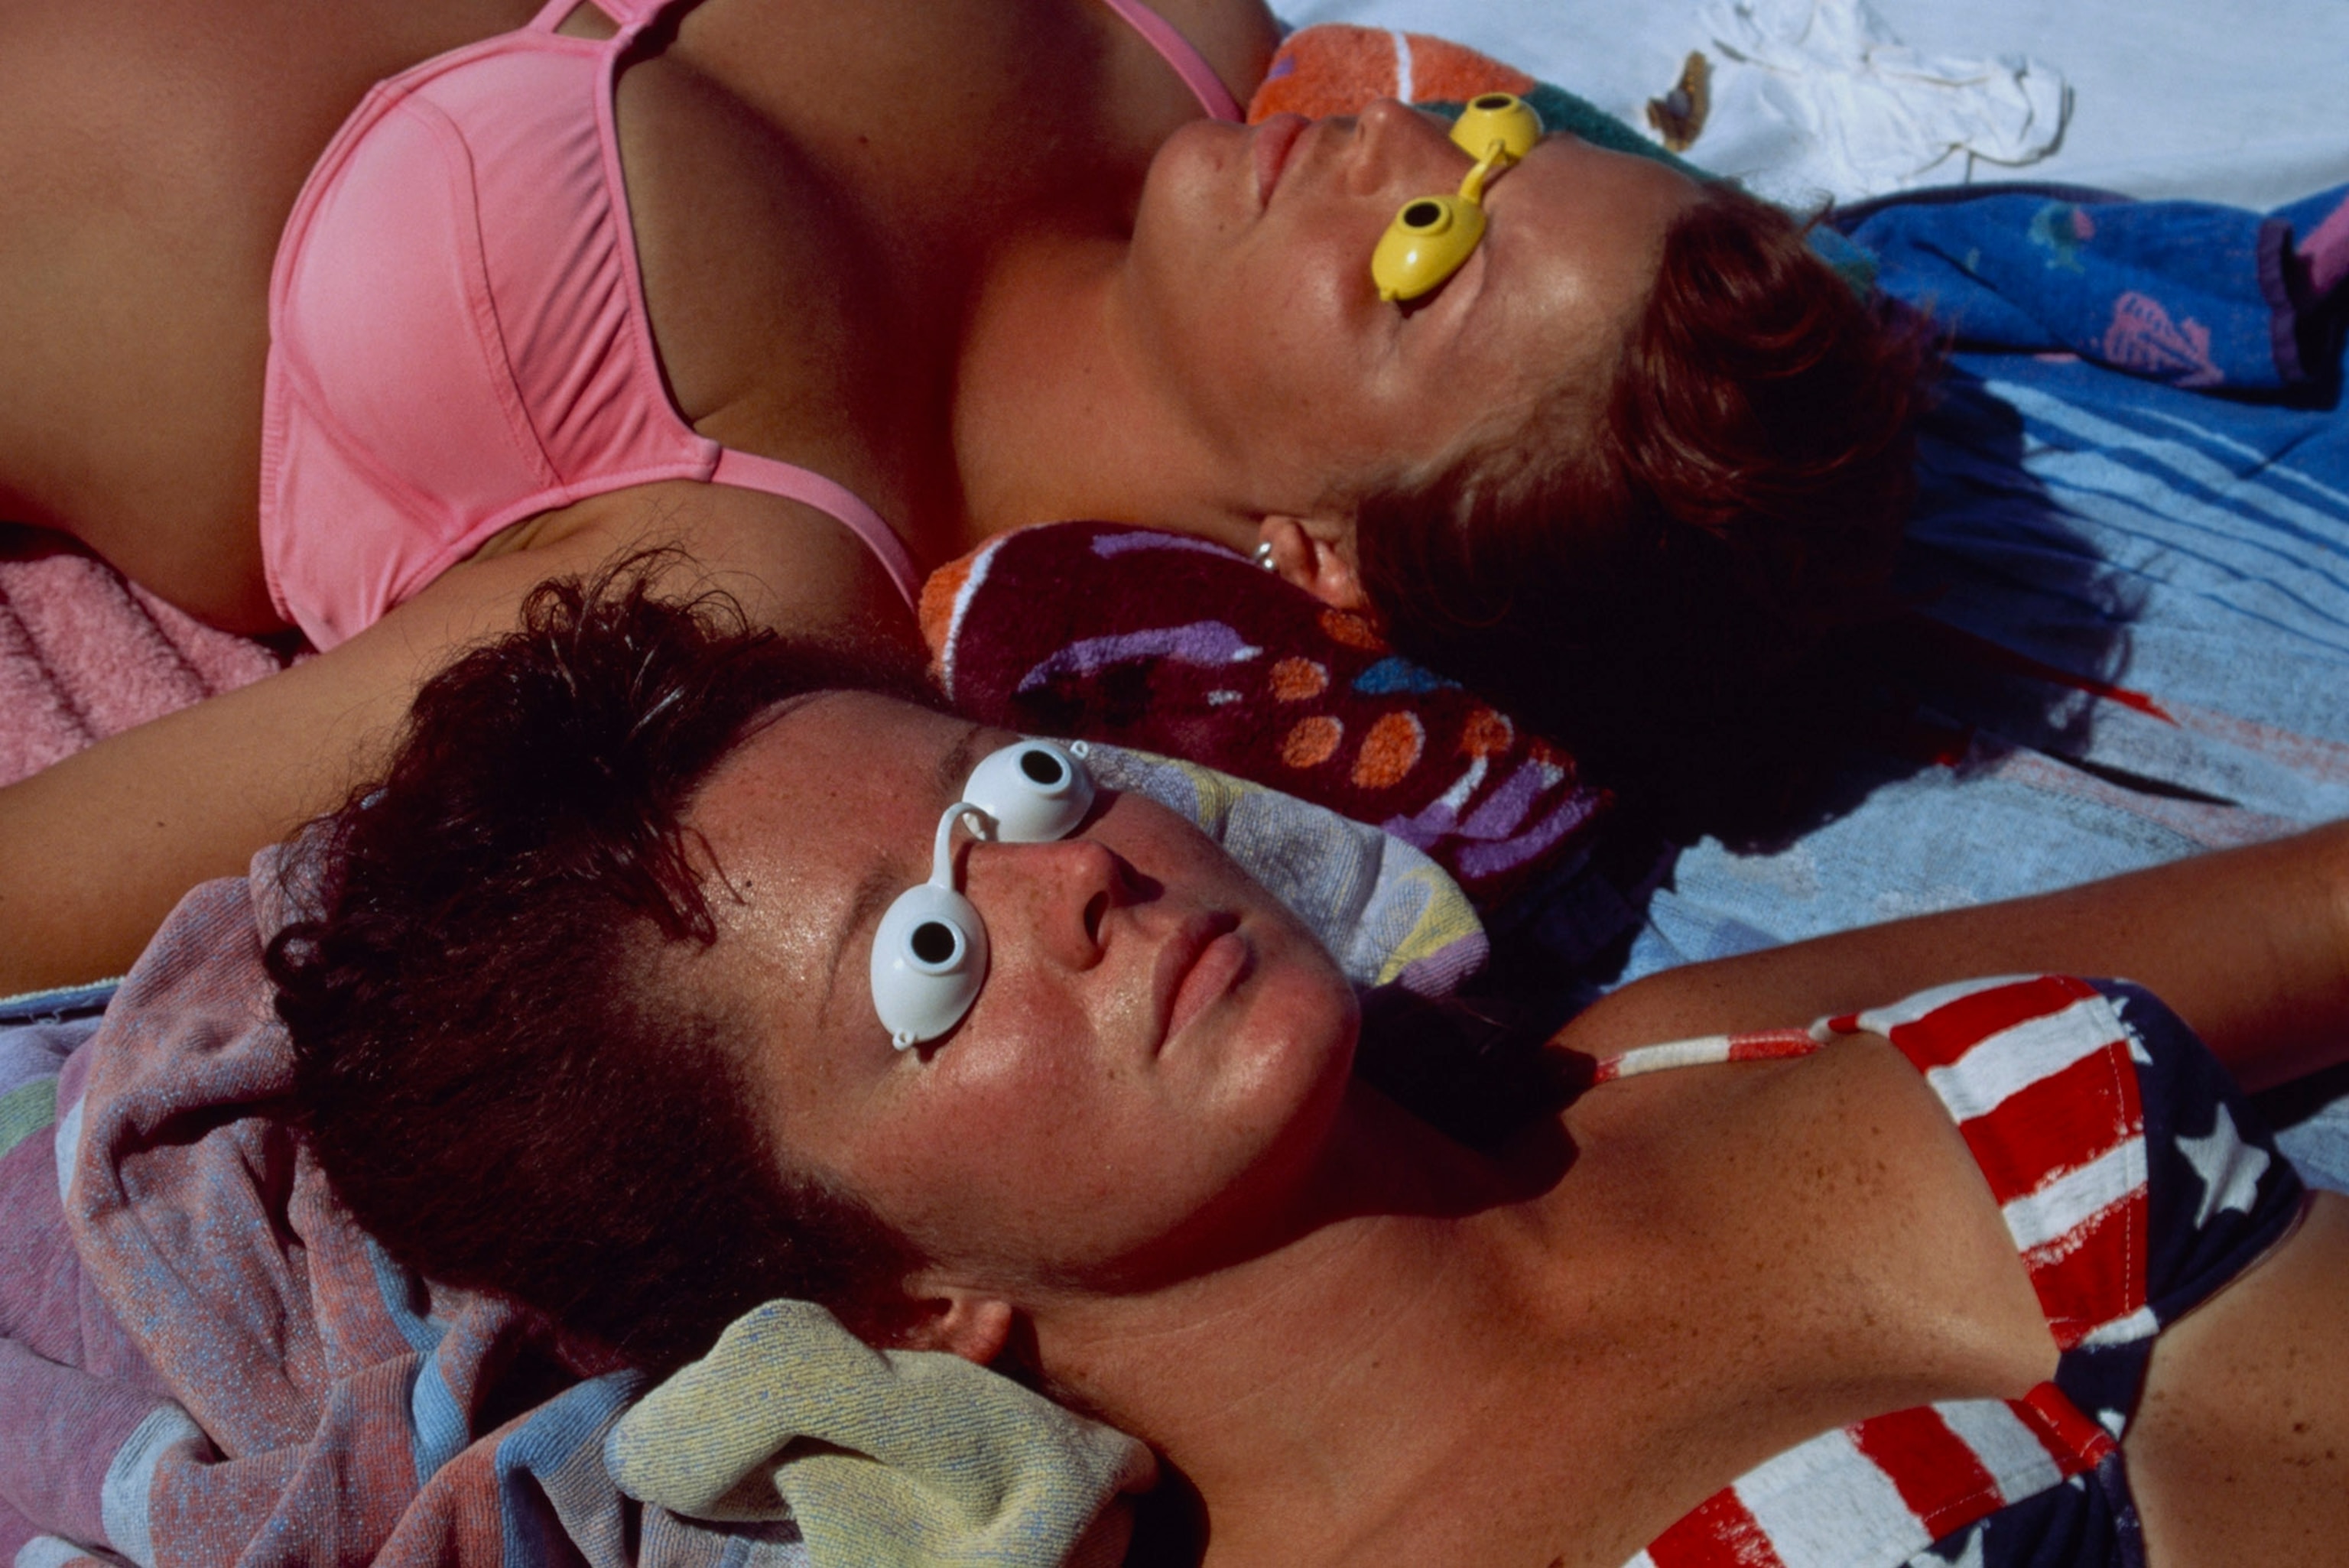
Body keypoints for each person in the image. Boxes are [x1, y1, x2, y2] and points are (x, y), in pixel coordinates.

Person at [273, 572, 2349, 1565]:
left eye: (1017, 786)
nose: (1068, 879)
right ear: (898, 1288)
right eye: (929, 958)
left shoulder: (1655, 1051)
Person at [0, 0, 1924, 992]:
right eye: (1492, 139)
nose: (1395, 142)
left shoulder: (739, 572)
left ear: (1331, 557)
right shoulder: (1170, 32)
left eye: (1431, 251)